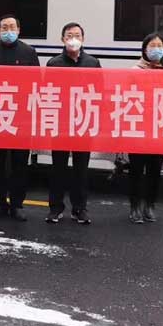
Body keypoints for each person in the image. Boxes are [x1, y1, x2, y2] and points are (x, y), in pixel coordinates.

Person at [0, 14, 40, 222]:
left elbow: (36, 83)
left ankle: (17, 204)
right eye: (4, 27)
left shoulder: (29, 52)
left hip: (20, 116)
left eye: (12, 27)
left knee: (19, 163)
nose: (8, 31)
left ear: (19, 30)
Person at [45, 22, 101, 225]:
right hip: (61, 123)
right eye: (69, 35)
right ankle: (55, 208)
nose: (73, 39)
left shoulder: (93, 63)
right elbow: (47, 92)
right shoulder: (54, 63)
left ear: (83, 39)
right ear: (62, 39)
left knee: (81, 169)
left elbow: (99, 91)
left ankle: (80, 209)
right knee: (58, 167)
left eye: (77, 35)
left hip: (83, 122)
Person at [128, 32, 163, 223]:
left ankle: (150, 205)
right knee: (136, 170)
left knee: (155, 170)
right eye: (152, 46)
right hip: (138, 128)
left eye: (160, 46)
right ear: (144, 49)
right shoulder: (135, 71)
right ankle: (135, 207)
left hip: (159, 129)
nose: (156, 49)